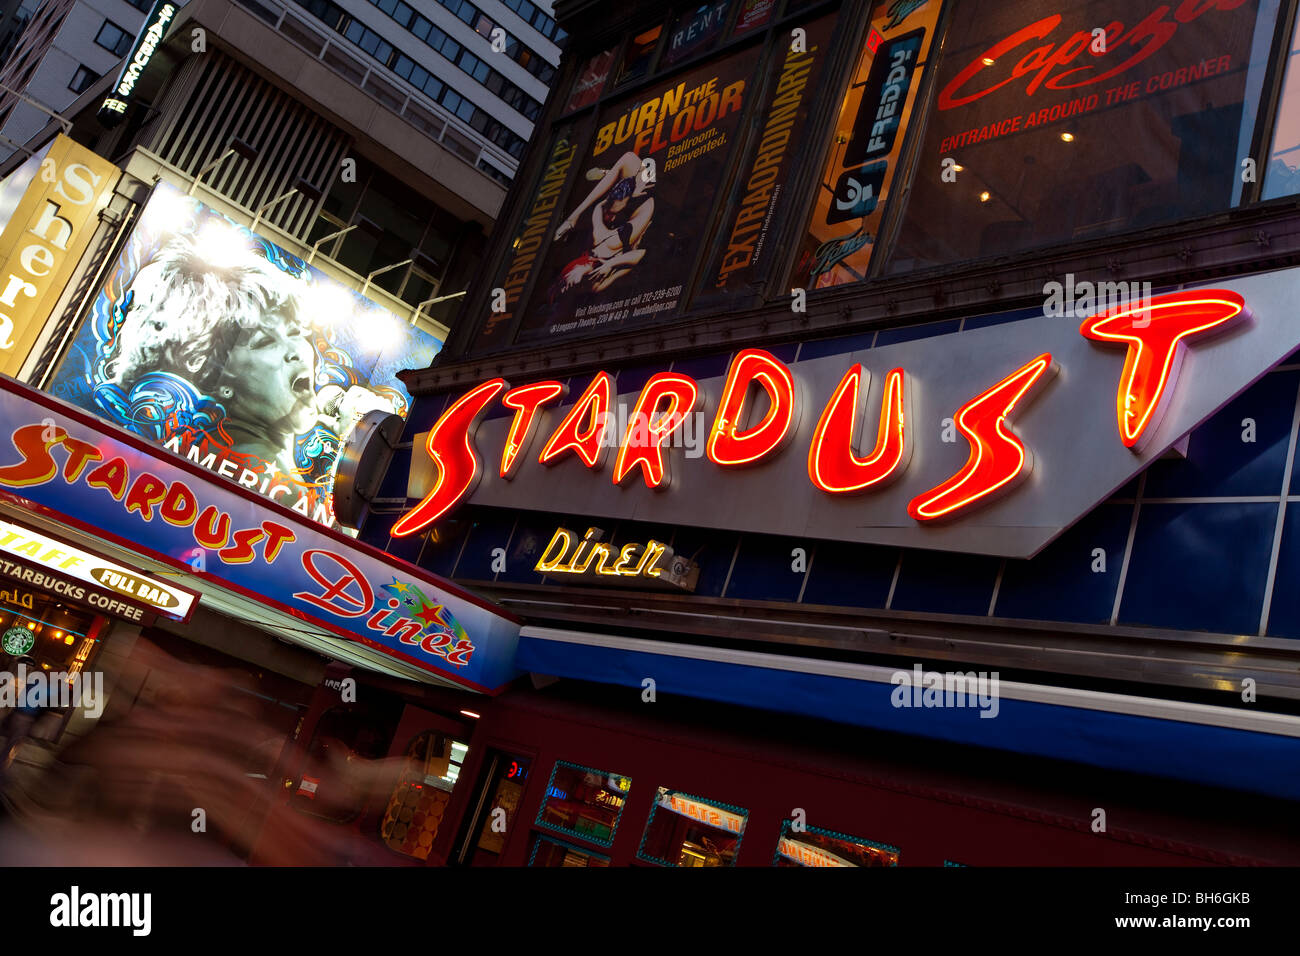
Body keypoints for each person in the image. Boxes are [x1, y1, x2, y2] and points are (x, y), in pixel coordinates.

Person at [106, 237, 319, 476]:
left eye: (294, 332)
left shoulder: (278, 474)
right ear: (215, 378)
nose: (296, 352)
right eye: (265, 342)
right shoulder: (258, 474)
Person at [550, 150, 656, 299]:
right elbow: (640, 255)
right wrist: (610, 264)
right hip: (641, 208)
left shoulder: (589, 248)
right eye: (567, 287)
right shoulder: (596, 285)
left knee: (628, 159)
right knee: (641, 166)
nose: (568, 284)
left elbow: (601, 207)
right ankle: (612, 177)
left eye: (563, 283)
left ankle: (573, 217)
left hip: (626, 202)